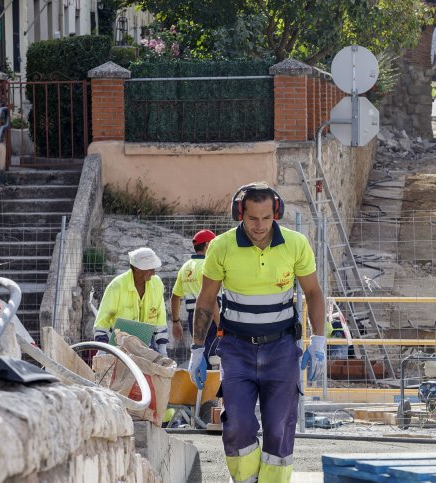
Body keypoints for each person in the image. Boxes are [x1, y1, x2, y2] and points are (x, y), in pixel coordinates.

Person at [191, 183, 326, 483]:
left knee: (279, 428)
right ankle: (246, 479)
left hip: (282, 350)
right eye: (253, 218)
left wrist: (318, 341)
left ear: (276, 213)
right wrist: (197, 349)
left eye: (266, 218)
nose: (260, 226)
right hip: (236, 350)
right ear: (240, 213)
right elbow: (206, 299)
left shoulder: (296, 244)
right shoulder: (221, 247)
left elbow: (314, 292)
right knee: (237, 425)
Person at [93, 247, 170, 356]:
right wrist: (102, 349)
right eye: (150, 268)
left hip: (147, 342)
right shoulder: (117, 286)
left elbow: (160, 316)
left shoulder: (157, 284)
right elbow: (102, 319)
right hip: (120, 344)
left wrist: (162, 348)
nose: (153, 273)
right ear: (137, 268)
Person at [170, 229, 220, 365]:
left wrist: (176, 321)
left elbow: (175, 297)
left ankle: (201, 378)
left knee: (200, 354)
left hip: (194, 317)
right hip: (212, 315)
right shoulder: (209, 265)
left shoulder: (185, 267)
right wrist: (220, 324)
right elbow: (211, 298)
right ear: (208, 244)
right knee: (216, 356)